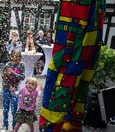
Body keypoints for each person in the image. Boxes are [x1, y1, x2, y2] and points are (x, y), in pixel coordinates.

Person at [39, 0, 105, 131]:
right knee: (74, 75)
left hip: (82, 13)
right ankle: (69, 124)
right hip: (90, 13)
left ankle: (63, 125)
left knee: (65, 73)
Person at [1, 49, 25, 131]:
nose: (15, 59)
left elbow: (22, 77)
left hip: (15, 91)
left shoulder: (22, 65)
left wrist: (12, 73)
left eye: (17, 57)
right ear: (11, 56)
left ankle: (14, 127)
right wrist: (5, 74)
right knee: (5, 109)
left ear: (20, 58)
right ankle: (5, 126)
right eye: (13, 56)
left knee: (14, 110)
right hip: (6, 89)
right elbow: (3, 77)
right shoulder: (8, 64)